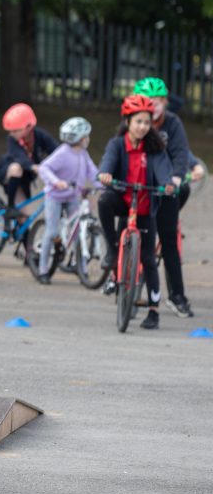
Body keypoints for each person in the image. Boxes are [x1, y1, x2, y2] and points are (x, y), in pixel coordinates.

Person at [97, 95, 175, 330]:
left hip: (144, 206)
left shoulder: (155, 146)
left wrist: (167, 183)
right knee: (104, 201)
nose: (143, 127)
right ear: (128, 121)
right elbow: (108, 162)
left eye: (147, 122)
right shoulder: (117, 144)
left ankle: (153, 310)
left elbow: (163, 169)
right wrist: (105, 174)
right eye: (138, 121)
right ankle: (112, 248)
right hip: (123, 200)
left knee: (149, 260)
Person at [132, 77, 193, 317]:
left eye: (158, 101)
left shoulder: (173, 123)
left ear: (165, 102)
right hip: (139, 187)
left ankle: (177, 295)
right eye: (148, 101)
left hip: (164, 188)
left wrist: (176, 178)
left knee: (168, 240)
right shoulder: (134, 122)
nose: (154, 106)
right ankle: (118, 275)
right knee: (123, 224)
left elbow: (181, 155)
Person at [35, 117, 100, 284]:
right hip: (55, 197)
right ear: (79, 139)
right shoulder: (63, 153)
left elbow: (93, 173)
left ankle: (82, 267)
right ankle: (43, 269)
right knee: (52, 232)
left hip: (72, 196)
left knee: (78, 231)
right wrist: (57, 182)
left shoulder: (84, 154)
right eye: (86, 136)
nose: (88, 139)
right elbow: (44, 168)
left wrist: (104, 184)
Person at [0, 103, 59, 218]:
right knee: (16, 168)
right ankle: (10, 207)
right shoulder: (12, 139)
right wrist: (33, 167)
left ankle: (18, 234)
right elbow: (19, 156)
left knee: (25, 216)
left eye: (15, 130)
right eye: (10, 131)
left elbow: (57, 152)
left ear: (29, 127)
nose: (12, 134)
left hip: (25, 177)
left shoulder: (40, 136)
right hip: (8, 171)